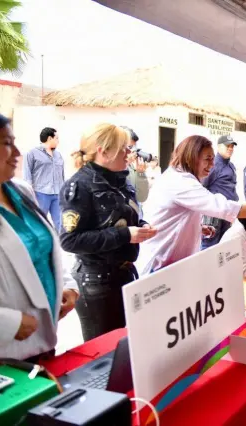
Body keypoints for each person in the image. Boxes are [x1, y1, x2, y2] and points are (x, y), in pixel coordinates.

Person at [0, 108, 78, 368]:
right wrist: (4, 323)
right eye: (6, 144)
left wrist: (67, 284)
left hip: (43, 344)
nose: (17, 154)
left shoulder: (21, 192)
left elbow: (47, 248)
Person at [137, 136, 246, 276]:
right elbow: (224, 207)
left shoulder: (185, 178)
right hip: (159, 266)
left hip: (174, 264)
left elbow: (177, 216)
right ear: (191, 157)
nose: (212, 164)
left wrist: (197, 227)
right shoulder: (180, 182)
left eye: (212, 159)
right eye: (207, 159)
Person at [60, 123, 157, 342]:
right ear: (104, 152)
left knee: (128, 350)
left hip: (123, 275)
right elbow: (69, 240)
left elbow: (126, 216)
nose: (128, 153)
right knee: (105, 358)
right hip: (97, 283)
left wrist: (142, 226)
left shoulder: (119, 180)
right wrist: (125, 235)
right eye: (123, 148)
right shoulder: (80, 186)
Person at [201, 135, 239, 249]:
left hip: (227, 212)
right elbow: (203, 187)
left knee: (223, 246)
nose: (230, 148)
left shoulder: (230, 165)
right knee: (210, 246)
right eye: (227, 146)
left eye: (232, 146)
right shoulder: (213, 165)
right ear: (218, 147)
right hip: (214, 213)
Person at [23, 127, 64, 230]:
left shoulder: (58, 155)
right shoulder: (32, 153)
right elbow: (27, 175)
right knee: (39, 221)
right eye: (57, 138)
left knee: (60, 223)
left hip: (57, 193)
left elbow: (62, 174)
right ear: (50, 138)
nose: (58, 141)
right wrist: (29, 193)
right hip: (40, 193)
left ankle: (61, 245)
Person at [123, 127, 150, 204]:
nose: (132, 151)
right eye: (130, 147)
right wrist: (124, 166)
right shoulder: (112, 168)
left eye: (134, 147)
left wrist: (141, 173)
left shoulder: (131, 167)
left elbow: (142, 197)